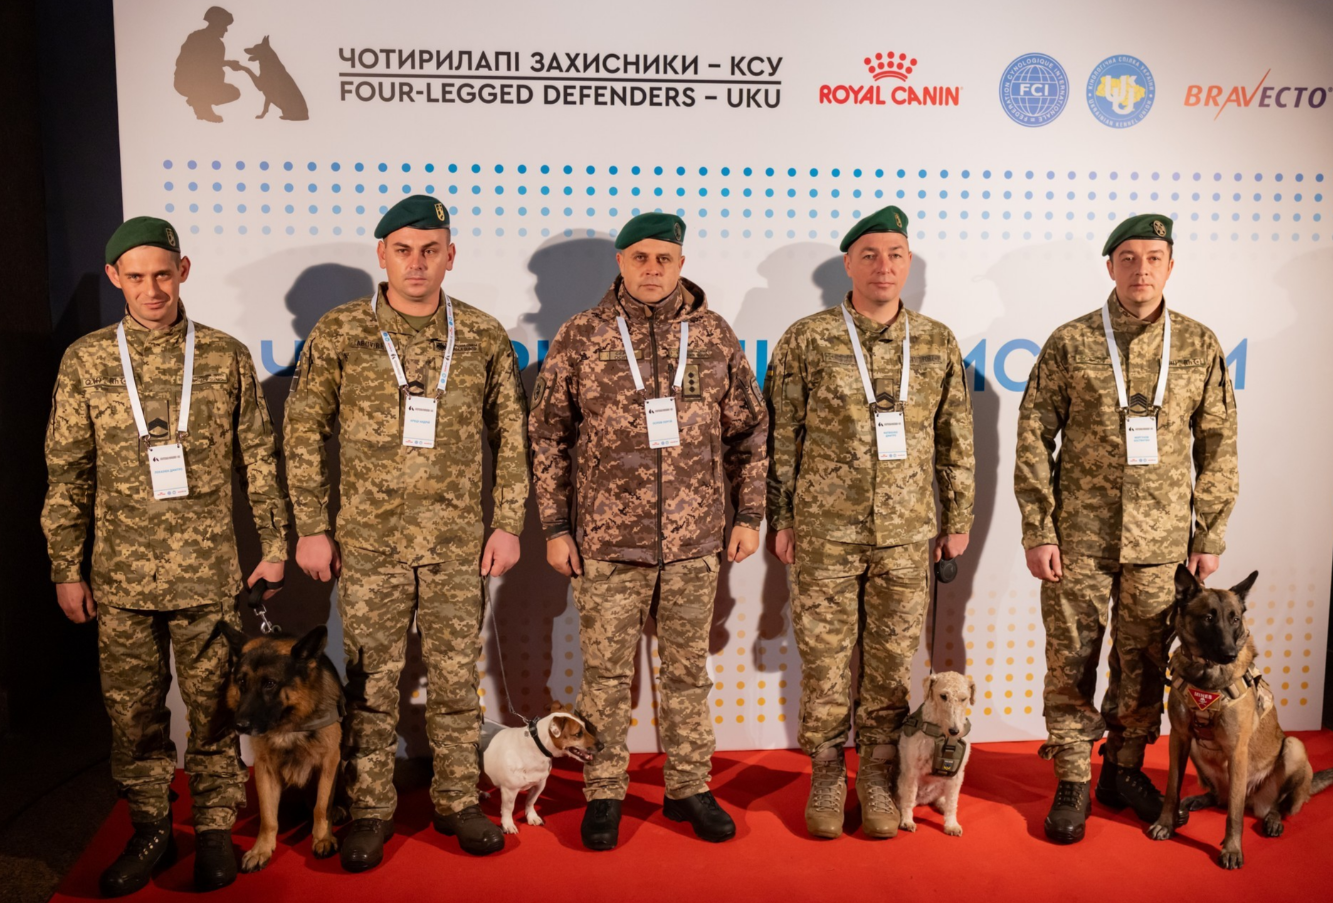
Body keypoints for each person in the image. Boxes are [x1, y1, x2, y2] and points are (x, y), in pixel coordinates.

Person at [42, 216, 289, 895]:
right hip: (119, 580)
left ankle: (212, 828)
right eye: (136, 276)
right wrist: (66, 565)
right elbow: (67, 473)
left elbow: (259, 461)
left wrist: (273, 547)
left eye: (162, 274)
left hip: (209, 576)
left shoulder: (224, 355)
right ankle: (150, 825)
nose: (151, 289)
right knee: (134, 714)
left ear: (183, 272)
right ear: (116, 277)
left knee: (213, 708)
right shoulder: (88, 360)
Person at [283, 195, 529, 866]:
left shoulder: (481, 334)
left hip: (455, 542)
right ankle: (370, 807)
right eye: (402, 249)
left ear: (450, 255)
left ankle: (456, 800)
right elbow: (302, 431)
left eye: (429, 250)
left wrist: (507, 521)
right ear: (382, 254)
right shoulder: (340, 332)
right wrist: (311, 527)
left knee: (455, 680)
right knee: (370, 684)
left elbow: (512, 435)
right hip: (370, 543)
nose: (416, 263)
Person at [529, 212, 767, 850]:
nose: (653, 270)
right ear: (621, 262)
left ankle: (690, 784)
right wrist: (555, 526)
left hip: (695, 545)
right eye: (640, 258)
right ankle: (603, 789)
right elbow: (548, 437)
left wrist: (748, 516)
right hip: (608, 545)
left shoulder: (714, 335)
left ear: (681, 263)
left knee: (687, 672)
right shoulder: (582, 335)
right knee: (605, 675)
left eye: (665, 258)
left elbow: (749, 431)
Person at [1014, 214, 1239, 844]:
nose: (1142, 270)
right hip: (1078, 537)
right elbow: (1034, 436)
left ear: (1172, 266)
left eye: (1155, 257)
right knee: (1071, 660)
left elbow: (1218, 443)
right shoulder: (1071, 342)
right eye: (1129, 258)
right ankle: (1072, 780)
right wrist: (1039, 526)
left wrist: (1208, 535)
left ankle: (1123, 770)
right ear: (1110, 266)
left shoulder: (1197, 345)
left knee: (1142, 664)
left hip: (1163, 545)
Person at [764, 205, 974, 840]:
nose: (884, 267)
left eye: (897, 255)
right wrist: (781, 514)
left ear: (909, 265)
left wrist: (957, 516)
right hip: (825, 531)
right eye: (871, 255)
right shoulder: (808, 338)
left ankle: (881, 776)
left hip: (908, 536)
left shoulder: (936, 342)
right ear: (848, 264)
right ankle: (828, 772)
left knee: (887, 666)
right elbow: (782, 436)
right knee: (826, 662)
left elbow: (955, 438)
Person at [172, 6, 243, 122]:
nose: (226, 30)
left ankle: (200, 102)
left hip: (202, 85)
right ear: (217, 23)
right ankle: (201, 104)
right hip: (185, 82)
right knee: (213, 76)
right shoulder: (197, 37)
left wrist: (226, 63)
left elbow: (214, 68)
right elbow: (194, 63)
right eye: (224, 25)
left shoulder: (219, 45)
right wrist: (226, 63)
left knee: (233, 92)